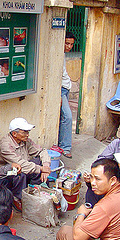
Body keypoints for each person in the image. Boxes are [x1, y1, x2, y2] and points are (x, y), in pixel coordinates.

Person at [0, 117, 51, 184]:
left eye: (28, 132)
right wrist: (41, 169)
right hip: (6, 175)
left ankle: (37, 188)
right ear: (14, 134)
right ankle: (19, 194)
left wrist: (46, 166)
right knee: (20, 173)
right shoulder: (5, 145)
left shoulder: (25, 141)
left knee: (38, 161)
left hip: (22, 167)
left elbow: (41, 151)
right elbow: (19, 164)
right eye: (24, 132)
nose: (27, 135)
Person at [52, 31, 75, 159]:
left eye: (71, 44)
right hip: (60, 90)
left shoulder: (63, 55)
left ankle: (62, 145)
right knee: (68, 116)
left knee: (63, 117)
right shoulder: (57, 54)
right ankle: (65, 147)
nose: (69, 46)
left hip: (65, 88)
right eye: (67, 43)